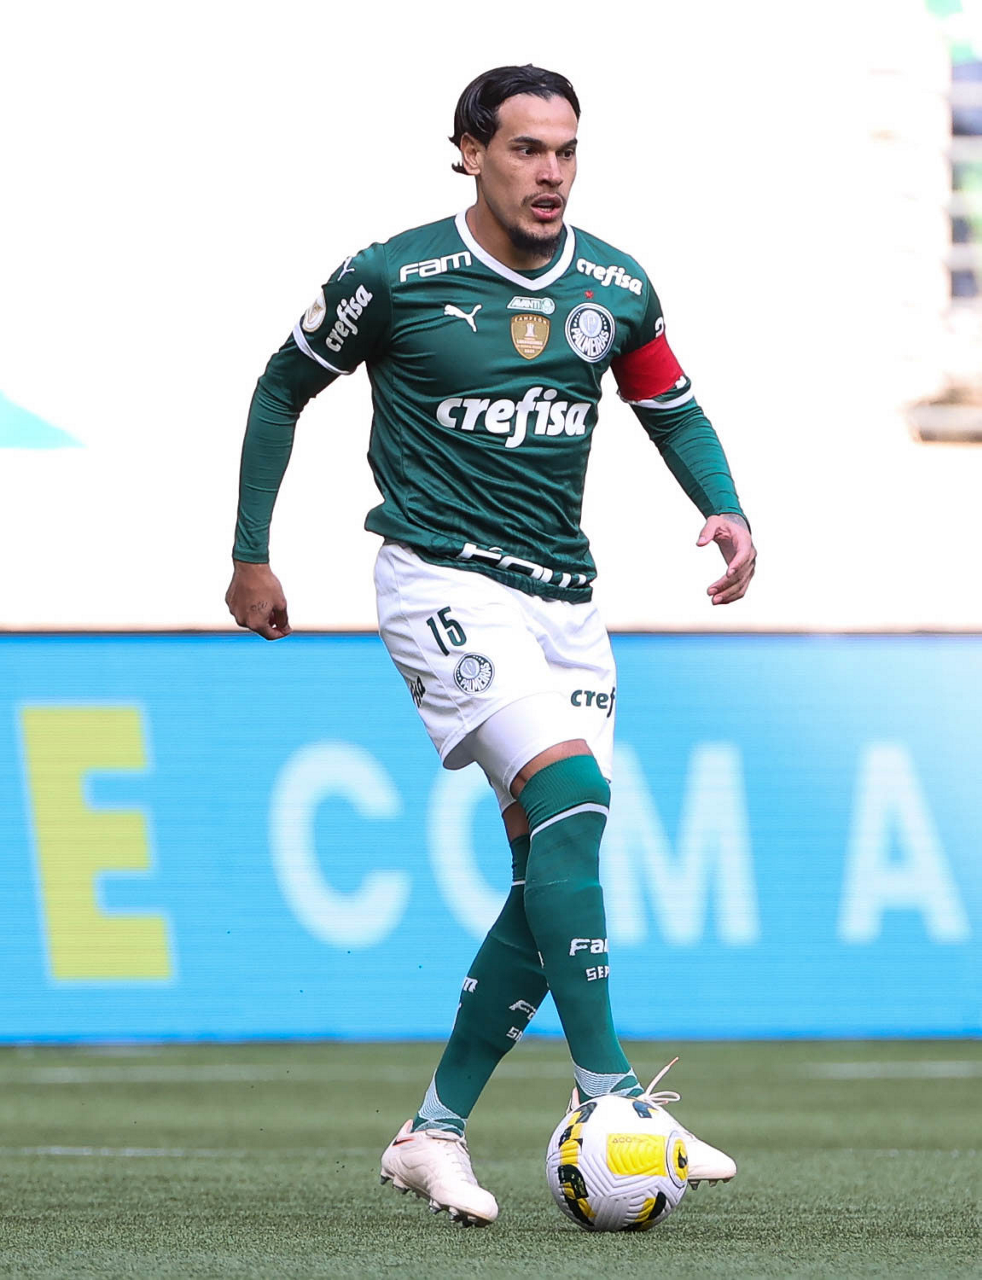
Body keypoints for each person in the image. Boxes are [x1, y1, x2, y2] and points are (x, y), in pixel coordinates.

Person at [227, 64, 756, 1227]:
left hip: (566, 601)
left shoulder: (613, 285)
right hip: (440, 577)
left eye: (566, 150)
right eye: (525, 149)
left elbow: (669, 404)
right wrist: (251, 552)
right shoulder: (393, 276)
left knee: (551, 862)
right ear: (468, 152)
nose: (550, 173)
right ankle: (611, 1092)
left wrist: (722, 506)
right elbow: (279, 390)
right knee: (572, 798)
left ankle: (432, 1129)